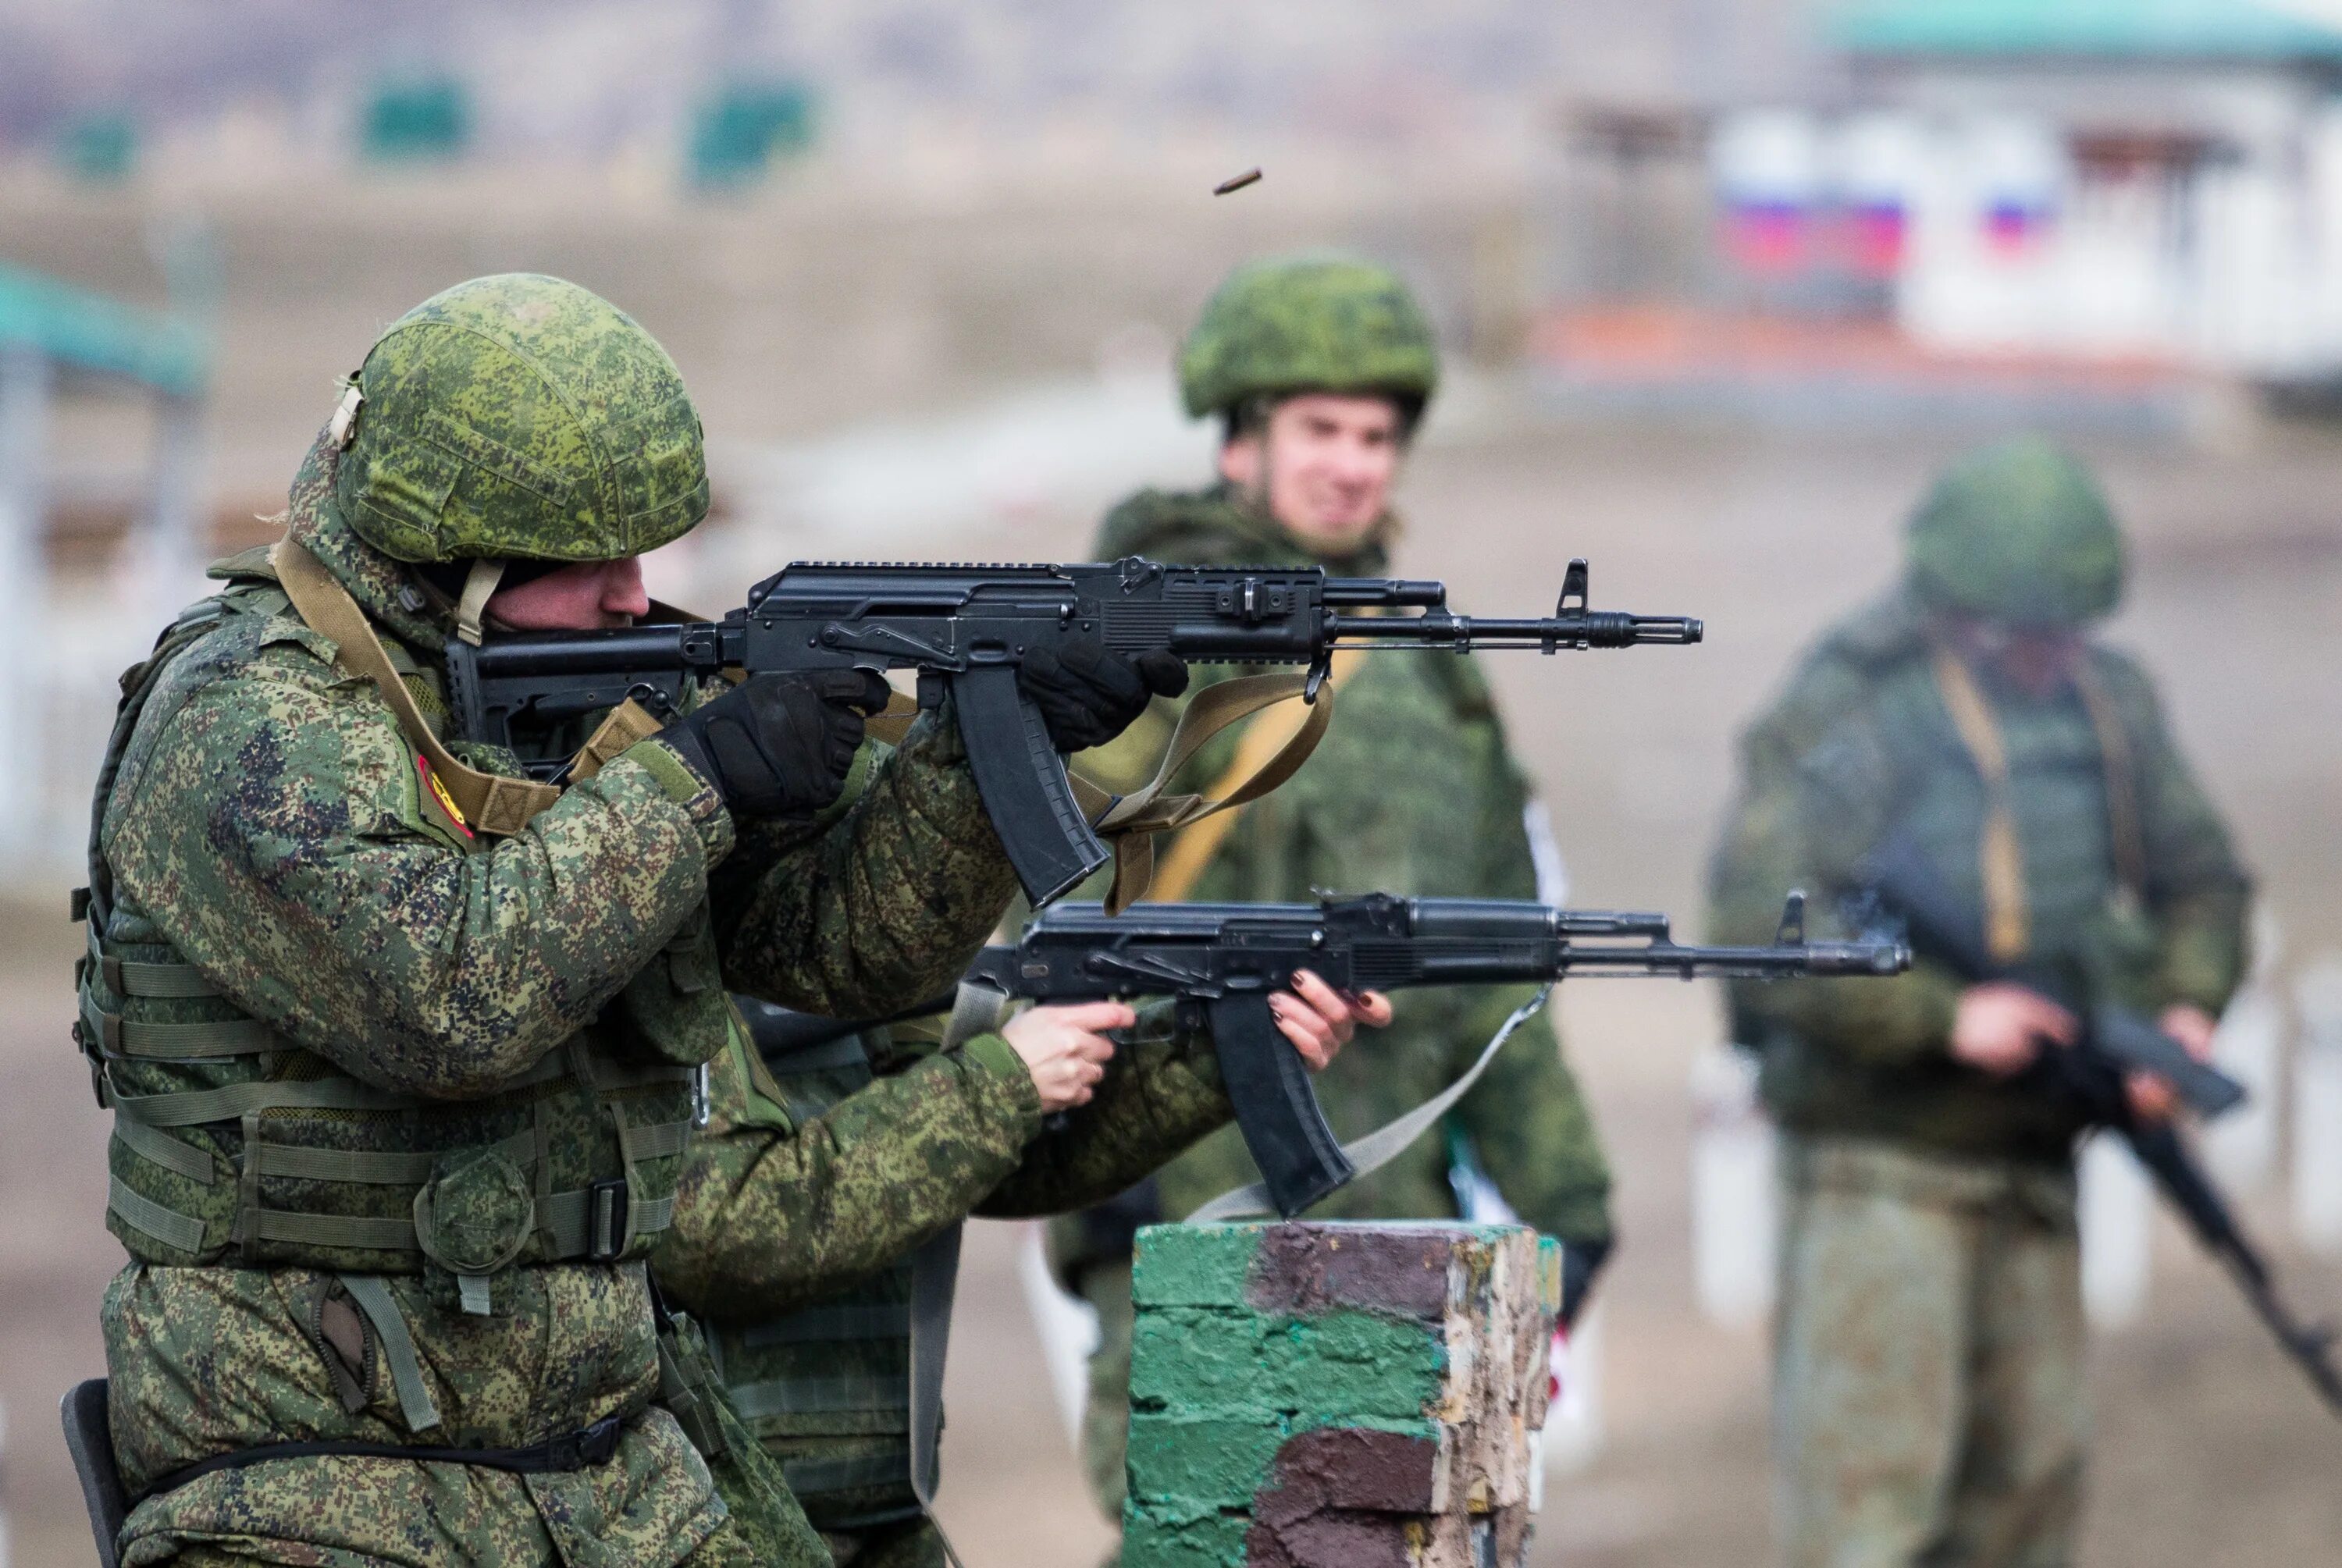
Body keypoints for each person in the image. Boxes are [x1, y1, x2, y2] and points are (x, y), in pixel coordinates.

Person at [77, 272, 1172, 1566]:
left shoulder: (570, 702)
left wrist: (987, 750)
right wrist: (705, 777)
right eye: (589, 560)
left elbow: (851, 950)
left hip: (602, 1450)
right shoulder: (246, 718)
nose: (630, 593)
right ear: (453, 557)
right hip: (312, 1469)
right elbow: (449, 996)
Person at [1047, 251, 1618, 1530]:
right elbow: (1038, 904)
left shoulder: (1429, 668)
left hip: (1398, 1228)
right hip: (1188, 1226)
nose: (1354, 463)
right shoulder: (1133, 635)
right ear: (1240, 436)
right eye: (1319, 427)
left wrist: (1567, 1197)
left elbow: (1501, 956)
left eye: (1377, 435)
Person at [1707, 436, 2251, 1567]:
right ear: (1959, 608)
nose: (2052, 658)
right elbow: (1761, 921)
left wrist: (2185, 1012)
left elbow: (2202, 881)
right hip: (1881, 1168)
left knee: (2030, 1499)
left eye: (2068, 632)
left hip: (2034, 1161)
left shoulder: (2111, 703)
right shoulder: (1853, 701)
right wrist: (1942, 1020)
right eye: (2026, 635)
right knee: (1871, 1516)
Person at [651, 951, 1386, 1567]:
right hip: (688, 1524)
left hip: (872, 1507)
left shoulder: (810, 930)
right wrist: (1000, 1083)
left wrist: (1229, 1044)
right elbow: (719, 1233)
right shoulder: (652, 938)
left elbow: (977, 1157)